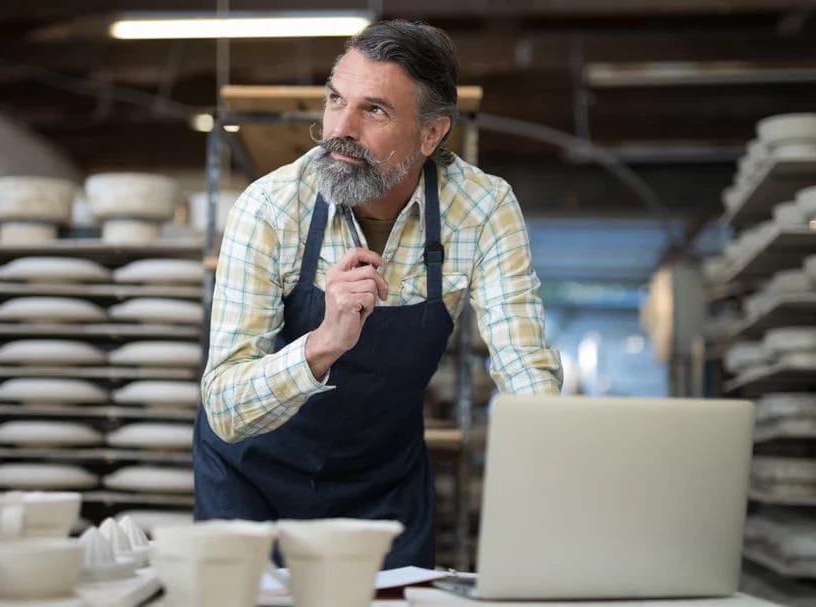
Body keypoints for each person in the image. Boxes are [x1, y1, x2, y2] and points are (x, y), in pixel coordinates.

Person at [195, 19, 563, 568]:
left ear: (432, 135)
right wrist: (321, 344)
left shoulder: (482, 210)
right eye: (335, 99)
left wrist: (562, 468)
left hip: (383, 491)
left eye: (374, 110)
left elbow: (523, 367)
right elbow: (224, 405)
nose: (340, 128)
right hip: (253, 485)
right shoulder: (269, 208)